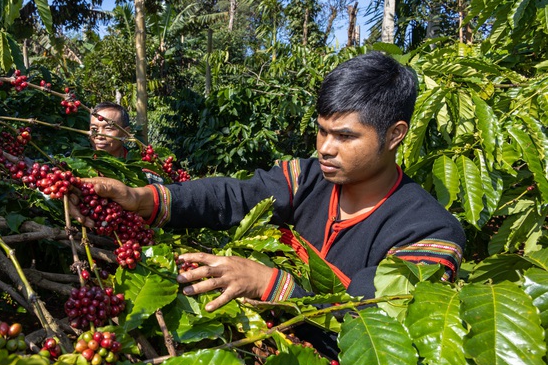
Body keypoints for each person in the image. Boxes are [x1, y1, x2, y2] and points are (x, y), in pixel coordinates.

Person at [73, 51, 466, 317]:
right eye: (321, 131)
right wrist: (142, 198)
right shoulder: (308, 178)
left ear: (395, 135)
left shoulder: (428, 233)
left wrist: (270, 283)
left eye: (345, 137)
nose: (326, 149)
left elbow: (372, 316)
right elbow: (233, 196)